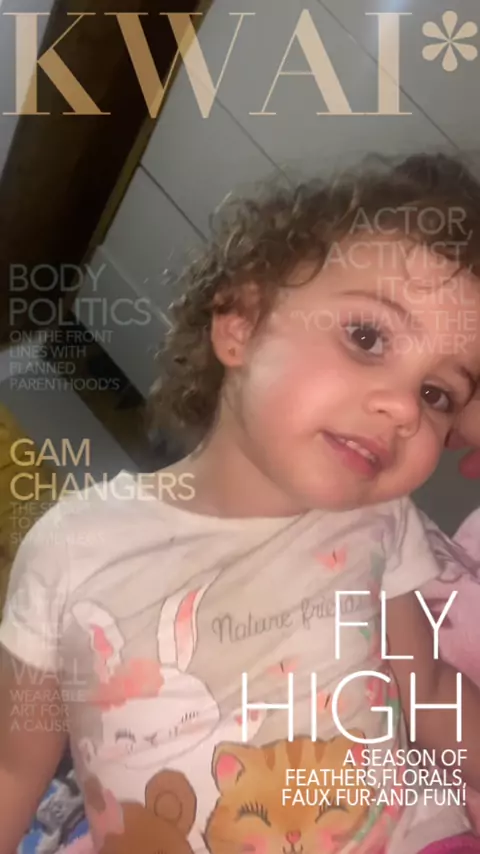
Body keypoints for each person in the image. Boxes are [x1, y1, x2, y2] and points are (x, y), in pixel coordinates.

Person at [1, 153, 480, 854]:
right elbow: (15, 768)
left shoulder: (384, 520)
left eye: (437, 394)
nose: (405, 408)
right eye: (368, 337)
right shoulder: (71, 547)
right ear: (241, 324)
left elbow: (430, 687)